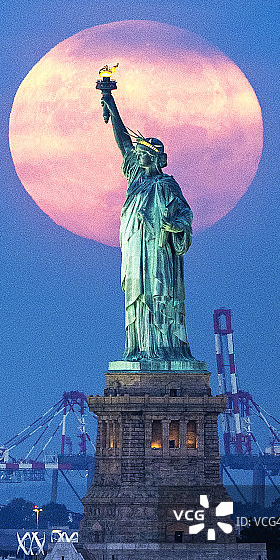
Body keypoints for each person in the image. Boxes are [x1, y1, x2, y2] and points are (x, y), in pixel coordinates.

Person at [101, 91, 194, 361]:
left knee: (157, 293)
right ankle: (139, 347)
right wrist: (111, 105)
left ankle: (164, 347)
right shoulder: (136, 179)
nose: (138, 156)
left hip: (158, 252)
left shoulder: (167, 185)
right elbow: (124, 143)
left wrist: (175, 226)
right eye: (138, 153)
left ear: (153, 158)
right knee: (138, 296)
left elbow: (185, 213)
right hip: (135, 249)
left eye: (142, 154)